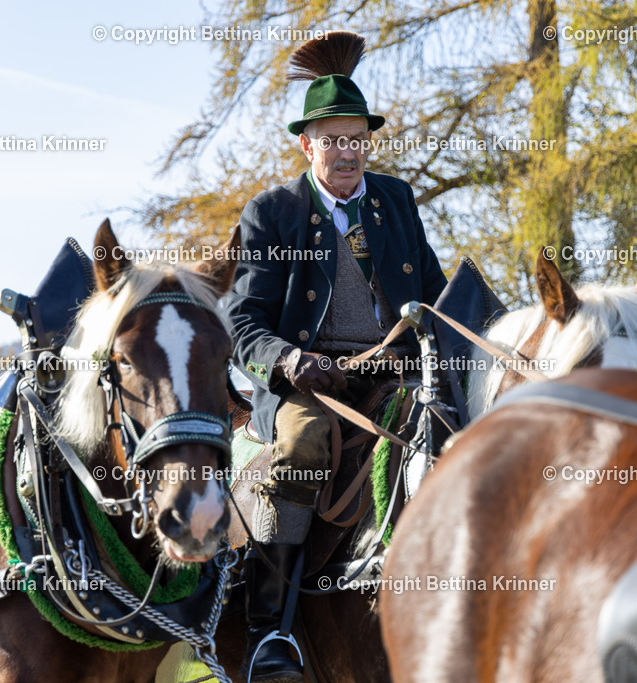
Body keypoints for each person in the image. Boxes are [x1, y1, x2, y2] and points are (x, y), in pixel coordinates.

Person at [225, 31, 447, 682]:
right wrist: (290, 362)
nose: (347, 152)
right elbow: (242, 318)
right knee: (300, 450)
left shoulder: (395, 202)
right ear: (308, 144)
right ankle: (271, 630)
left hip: (397, 373)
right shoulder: (273, 212)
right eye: (333, 139)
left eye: (357, 138)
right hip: (308, 385)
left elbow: (433, 294)